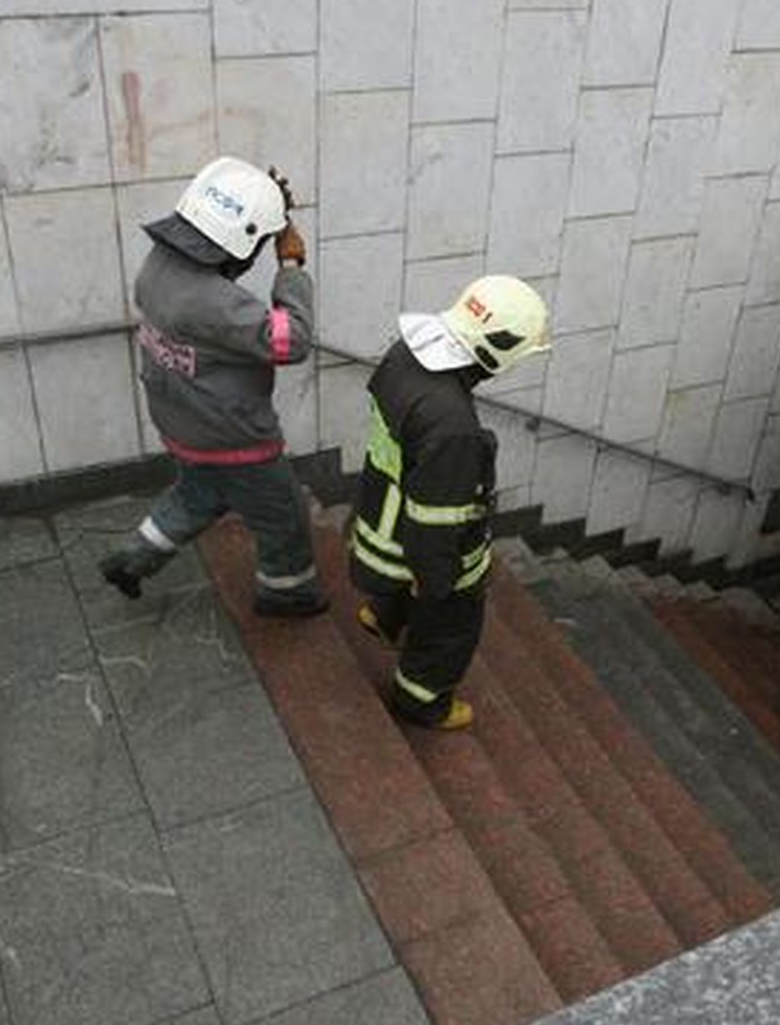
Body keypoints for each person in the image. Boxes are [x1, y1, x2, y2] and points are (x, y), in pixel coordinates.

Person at [99, 156, 327, 616]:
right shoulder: (219, 306)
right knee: (283, 516)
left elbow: (216, 267)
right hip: (234, 437)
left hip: (182, 422)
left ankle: (134, 557)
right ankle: (288, 591)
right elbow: (293, 341)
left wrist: (265, 214)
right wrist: (290, 264)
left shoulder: (158, 267)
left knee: (198, 495)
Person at [348, 276, 552, 730]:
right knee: (453, 625)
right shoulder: (454, 430)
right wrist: (437, 581)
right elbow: (436, 526)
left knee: (408, 584)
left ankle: (383, 617)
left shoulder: (405, 353)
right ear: (498, 351)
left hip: (380, 513)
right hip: (414, 545)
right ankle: (421, 699)